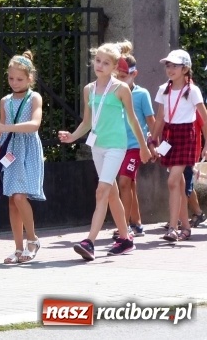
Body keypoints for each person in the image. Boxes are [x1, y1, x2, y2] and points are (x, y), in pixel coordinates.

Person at [58, 42, 151, 261]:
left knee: (101, 191)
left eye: (105, 63)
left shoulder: (121, 89)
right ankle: (126, 239)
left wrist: (144, 147)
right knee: (110, 193)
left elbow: (133, 119)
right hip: (97, 146)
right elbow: (88, 122)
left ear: (114, 66)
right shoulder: (89, 89)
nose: (100, 65)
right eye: (98, 60)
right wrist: (72, 136)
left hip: (116, 146)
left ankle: (89, 242)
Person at [0, 52, 46, 264]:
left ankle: (32, 240)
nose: (14, 82)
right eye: (11, 78)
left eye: (20, 79)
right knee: (12, 201)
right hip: (11, 150)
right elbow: (2, 135)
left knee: (20, 197)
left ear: (30, 78)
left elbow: (35, 125)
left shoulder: (34, 98)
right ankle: (18, 248)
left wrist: (5, 127)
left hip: (28, 149)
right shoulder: (5, 101)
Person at [149, 49, 207, 242]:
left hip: (187, 135)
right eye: (168, 65)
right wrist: (152, 140)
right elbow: (159, 119)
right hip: (169, 136)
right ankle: (186, 228)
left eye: (175, 65)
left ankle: (173, 227)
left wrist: (206, 143)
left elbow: (204, 119)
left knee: (173, 181)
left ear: (185, 69)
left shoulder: (192, 90)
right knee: (179, 184)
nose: (170, 69)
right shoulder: (163, 89)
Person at [111, 46, 155, 239]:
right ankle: (137, 223)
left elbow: (152, 122)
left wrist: (153, 145)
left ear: (133, 73)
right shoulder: (112, 93)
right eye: (117, 76)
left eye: (123, 76)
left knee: (123, 182)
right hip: (117, 145)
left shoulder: (142, 94)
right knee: (130, 185)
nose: (120, 79)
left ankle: (125, 225)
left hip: (135, 146)